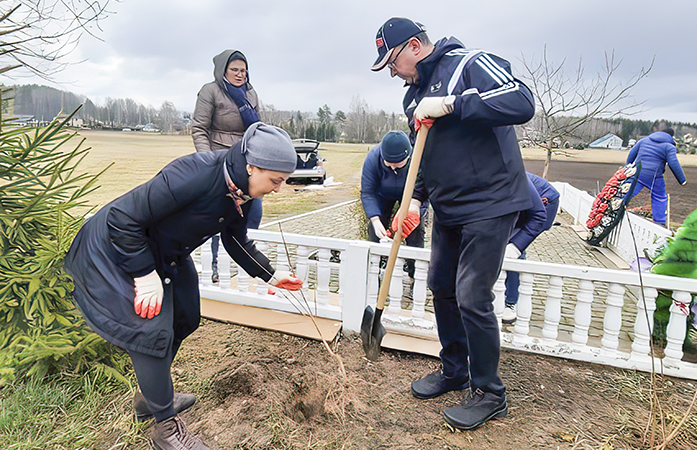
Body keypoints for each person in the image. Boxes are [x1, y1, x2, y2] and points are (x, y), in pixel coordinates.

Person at [64, 122, 303, 450]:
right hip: (117, 250)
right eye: (276, 180)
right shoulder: (194, 174)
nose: (278, 188)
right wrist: (145, 276)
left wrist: (272, 276)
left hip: (165, 251)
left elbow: (236, 241)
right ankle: (166, 429)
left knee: (187, 316)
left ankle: (151, 396)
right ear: (252, 166)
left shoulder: (242, 191)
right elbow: (123, 219)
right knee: (149, 330)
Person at [372, 17, 535, 430]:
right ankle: (455, 369)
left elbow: (522, 102)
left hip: (491, 202)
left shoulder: (470, 64)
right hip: (448, 208)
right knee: (441, 286)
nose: (392, 71)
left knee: (471, 295)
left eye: (392, 61)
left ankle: (489, 392)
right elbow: (424, 158)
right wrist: (416, 203)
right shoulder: (413, 97)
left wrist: (454, 104)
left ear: (413, 46)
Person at [192, 49, 264, 283]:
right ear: (223, 69)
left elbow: (257, 128)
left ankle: (245, 263)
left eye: (243, 70)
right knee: (220, 215)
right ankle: (215, 265)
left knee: (253, 212)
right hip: (220, 161)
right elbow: (199, 129)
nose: (240, 74)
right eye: (234, 69)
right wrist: (207, 160)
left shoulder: (250, 94)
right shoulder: (210, 91)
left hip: (247, 161)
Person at [360, 130, 428, 278]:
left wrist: (415, 209)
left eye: (397, 165)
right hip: (382, 196)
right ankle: (375, 273)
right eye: (388, 164)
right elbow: (367, 192)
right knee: (376, 233)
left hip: (411, 196)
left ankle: (414, 275)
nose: (392, 168)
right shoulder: (373, 158)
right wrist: (375, 219)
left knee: (414, 233)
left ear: (408, 157)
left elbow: (425, 189)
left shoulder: (420, 158)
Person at [502, 172, 560, 324]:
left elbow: (538, 217)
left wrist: (515, 247)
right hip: (518, 203)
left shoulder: (510, 175)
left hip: (544, 204)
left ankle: (510, 303)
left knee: (514, 247)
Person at [626, 120, 687, 226]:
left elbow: (632, 154)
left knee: (627, 192)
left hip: (637, 172)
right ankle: (659, 222)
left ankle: (615, 209)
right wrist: (682, 180)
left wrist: (628, 167)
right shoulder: (669, 146)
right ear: (671, 137)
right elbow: (673, 163)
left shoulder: (644, 140)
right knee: (659, 196)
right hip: (654, 176)